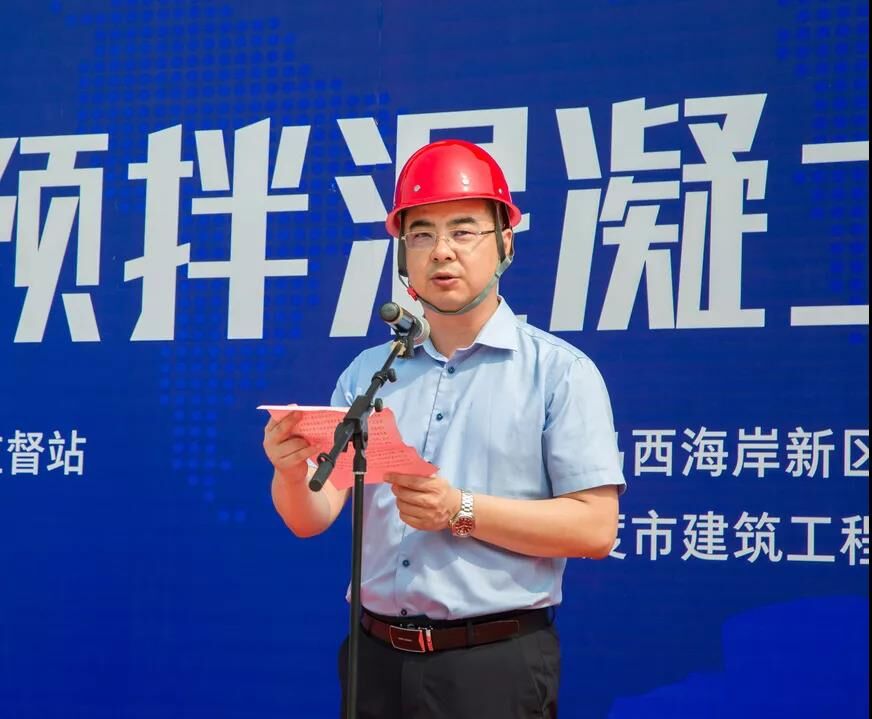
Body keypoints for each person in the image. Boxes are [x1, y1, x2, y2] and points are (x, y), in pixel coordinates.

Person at [263, 139, 626, 718]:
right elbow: (313, 516)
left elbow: (596, 528)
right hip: (373, 661)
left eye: (463, 231)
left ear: (505, 242)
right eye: (421, 234)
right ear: (403, 253)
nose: (442, 252)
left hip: (491, 666)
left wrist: (460, 509)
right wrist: (289, 472)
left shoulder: (559, 373)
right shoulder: (369, 375)